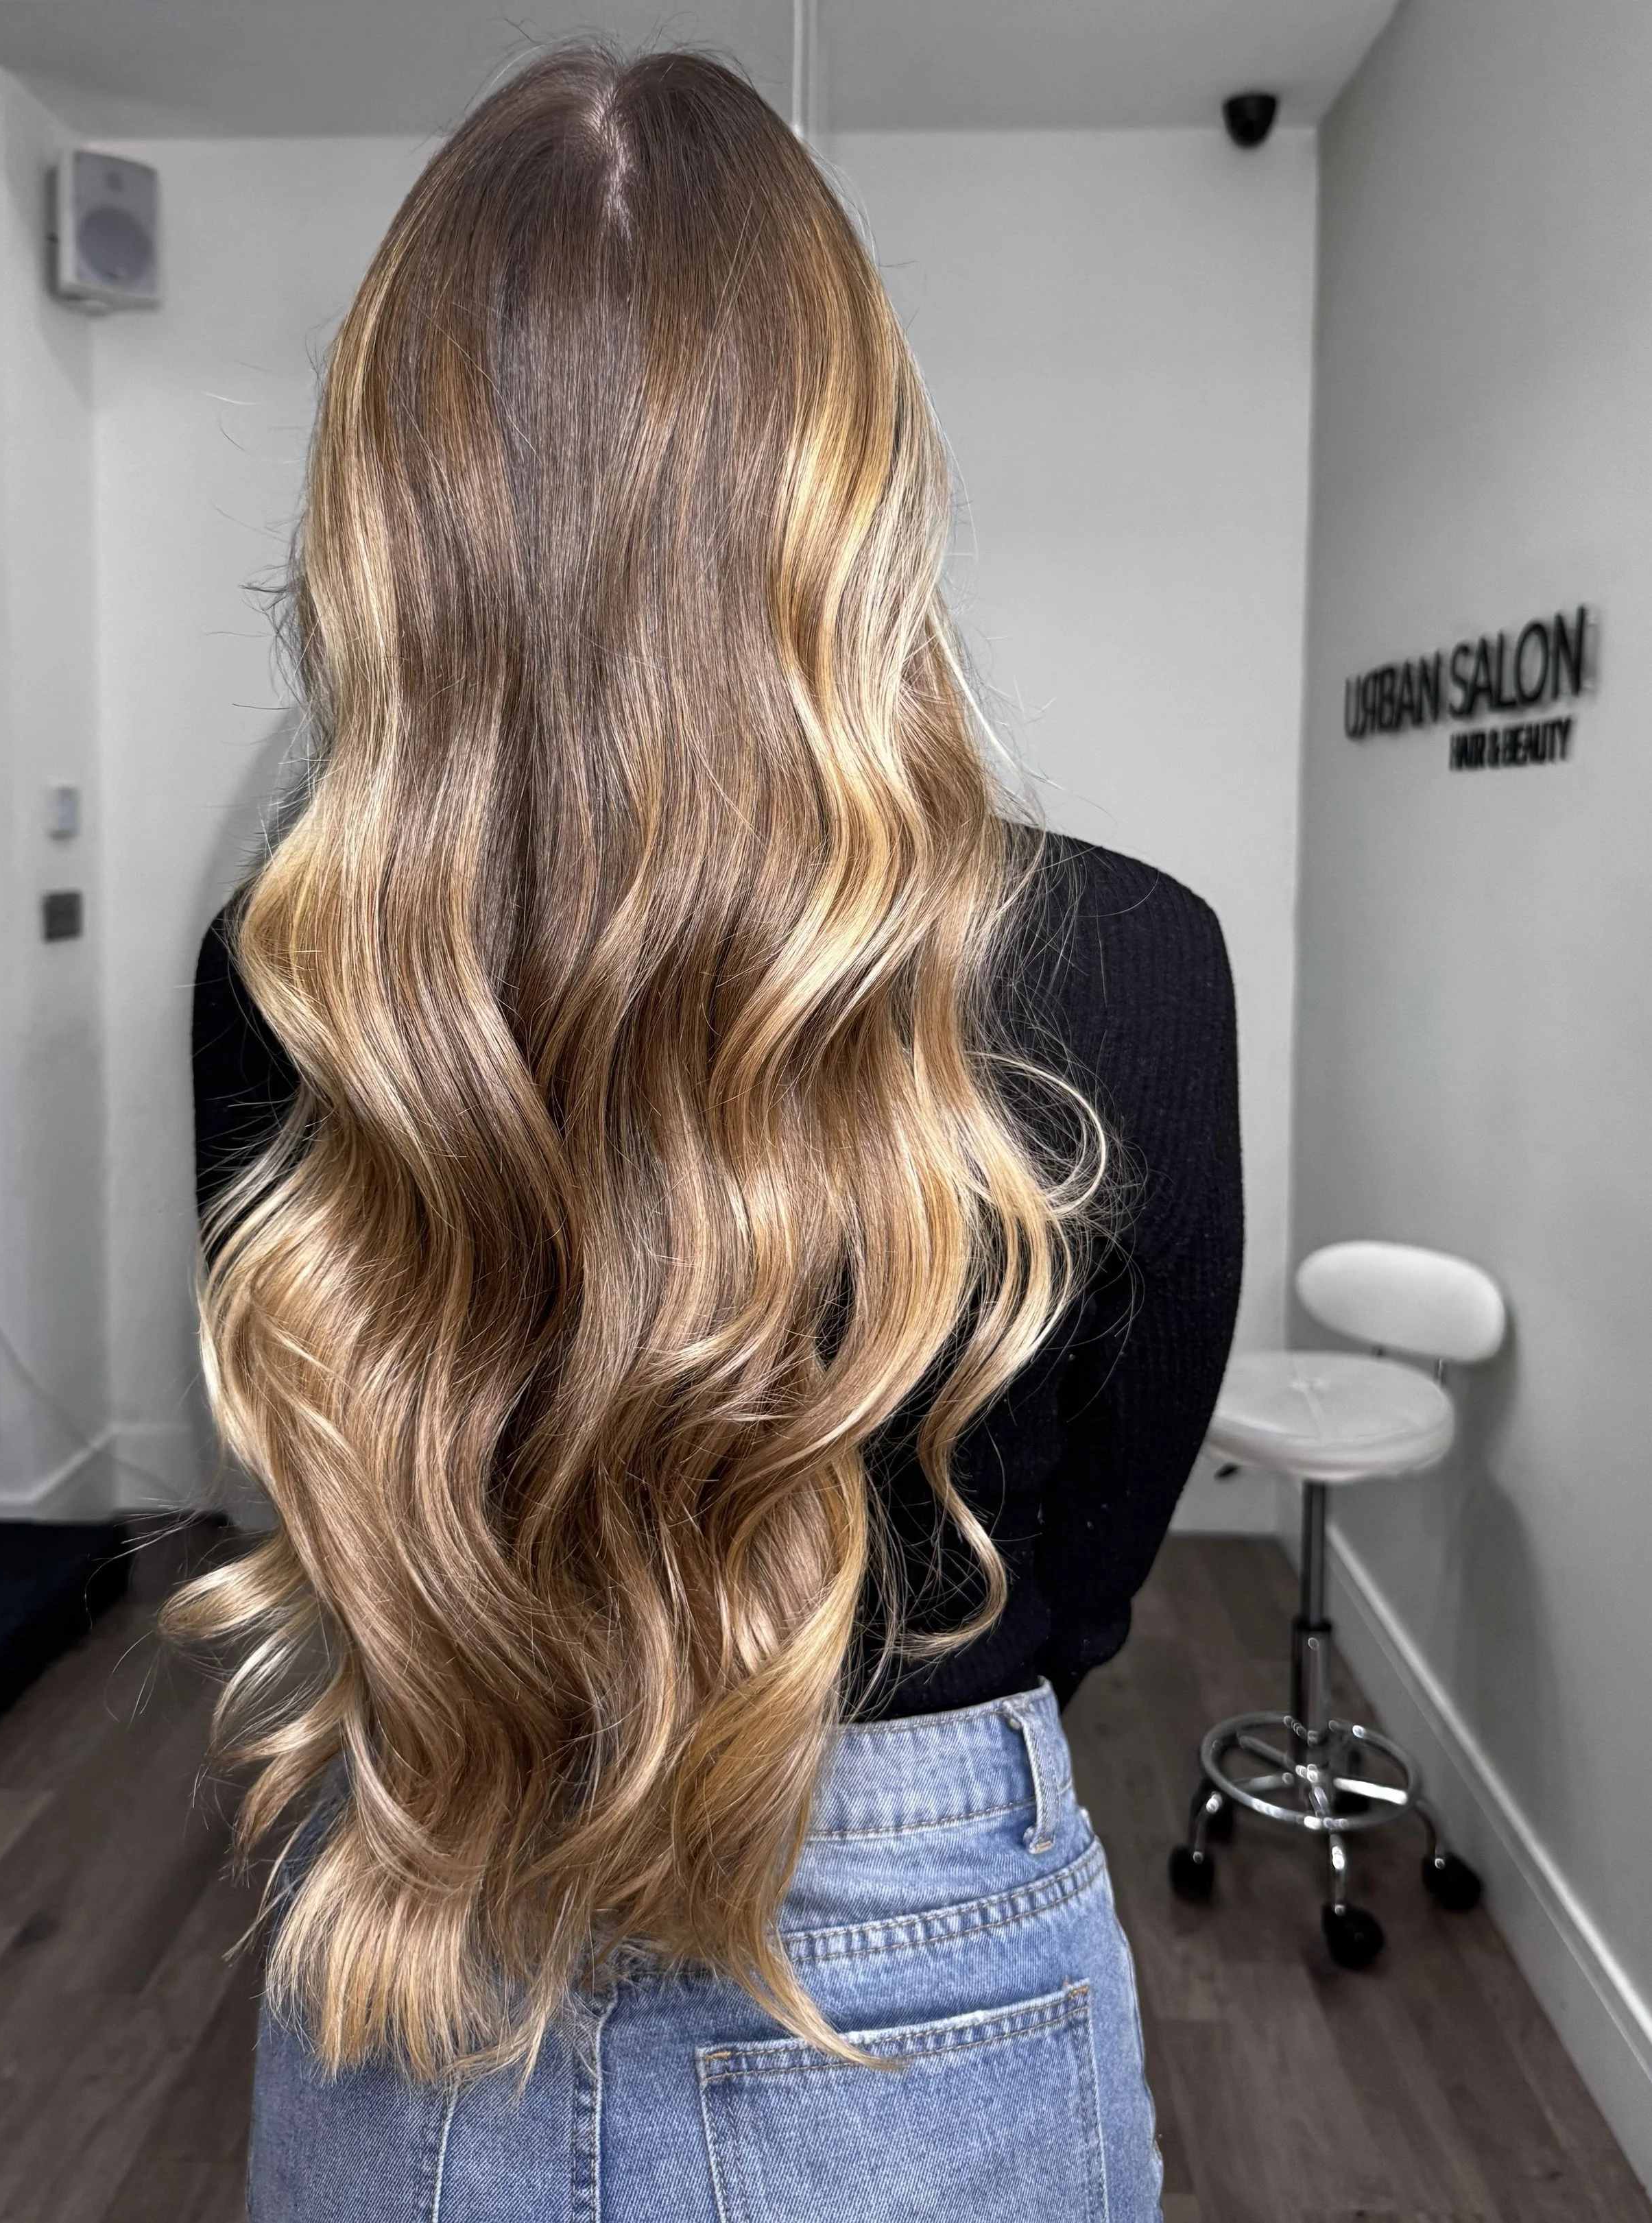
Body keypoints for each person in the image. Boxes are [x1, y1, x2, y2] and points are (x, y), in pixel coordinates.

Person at [178, 43, 1241, 2223]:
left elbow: (310, 1452)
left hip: (427, 1879)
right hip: (916, 1898)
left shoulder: (285, 979)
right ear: (858, 479)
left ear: (389, 506)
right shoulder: (1127, 964)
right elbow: (1102, 1561)